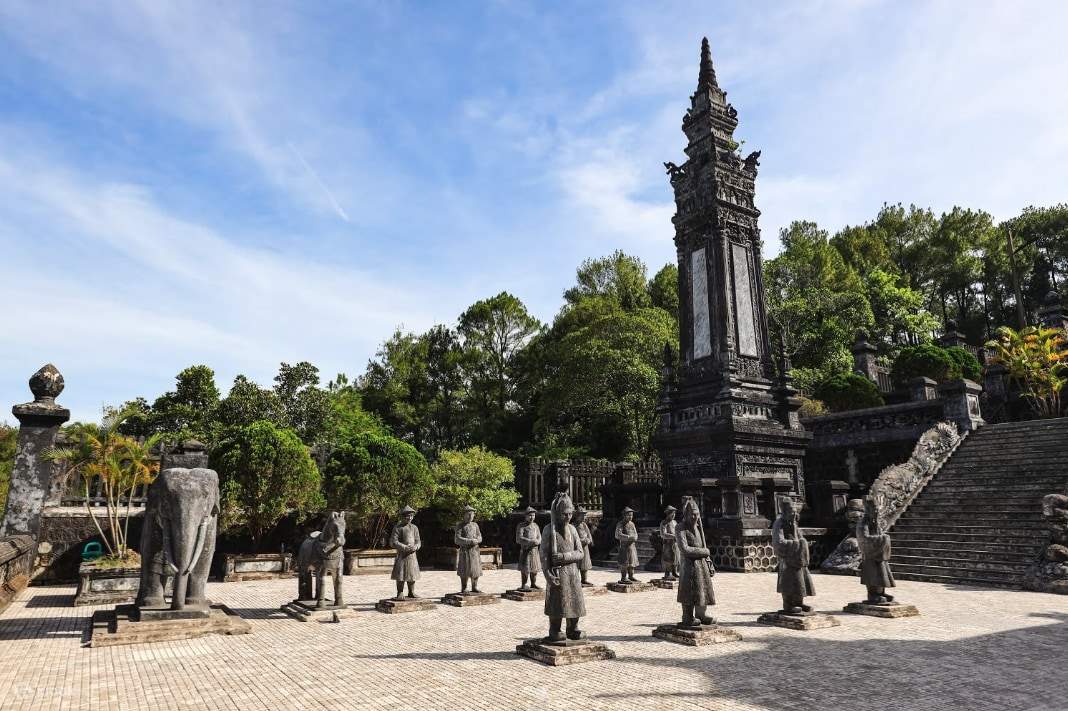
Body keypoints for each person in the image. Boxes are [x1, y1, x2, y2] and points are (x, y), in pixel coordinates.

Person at [540, 492, 587, 642]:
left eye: (570, 514)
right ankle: (554, 630)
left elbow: (580, 553)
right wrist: (548, 574)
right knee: (557, 602)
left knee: (575, 601)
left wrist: (564, 556)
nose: (568, 517)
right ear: (558, 513)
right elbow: (544, 555)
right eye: (564, 514)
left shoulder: (573, 529)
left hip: (572, 572)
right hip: (557, 572)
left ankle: (573, 628)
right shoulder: (549, 530)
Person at [676, 497, 716, 627]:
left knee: (703, 589)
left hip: (701, 565)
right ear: (686, 514)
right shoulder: (680, 528)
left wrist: (708, 561)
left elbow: (702, 544)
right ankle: (687, 616)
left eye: (697, 514)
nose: (695, 517)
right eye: (692, 514)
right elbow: (685, 549)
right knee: (689, 591)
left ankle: (701, 614)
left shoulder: (698, 528)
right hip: (689, 565)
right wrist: (704, 552)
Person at [772, 497, 815, 614]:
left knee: (801, 580)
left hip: (798, 558)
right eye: (792, 511)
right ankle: (788, 605)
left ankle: (799, 602)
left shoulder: (794, 523)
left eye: (795, 511)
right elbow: (778, 542)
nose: (794, 514)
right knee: (788, 581)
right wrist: (796, 544)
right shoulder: (779, 523)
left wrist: (803, 543)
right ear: (785, 512)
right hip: (787, 558)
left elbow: (800, 537)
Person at [857, 497, 896, 604]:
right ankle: (872, 594)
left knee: (882, 573)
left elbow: (879, 534)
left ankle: (881, 592)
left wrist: (883, 538)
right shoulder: (863, 523)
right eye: (874, 509)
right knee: (872, 574)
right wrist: (882, 539)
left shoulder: (875, 522)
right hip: (870, 554)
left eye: (877, 509)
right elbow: (863, 538)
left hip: (879, 553)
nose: (876, 512)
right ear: (868, 510)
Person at [390, 505, 422, 600]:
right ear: (403, 516)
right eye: (408, 516)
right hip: (402, 555)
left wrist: (416, 546)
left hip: (412, 555)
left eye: (411, 516)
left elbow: (418, 541)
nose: (410, 518)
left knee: (412, 574)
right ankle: (400, 592)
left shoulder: (414, 528)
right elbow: (393, 541)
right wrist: (404, 547)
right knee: (401, 574)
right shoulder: (398, 527)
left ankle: (411, 591)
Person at [454, 505, 483, 594]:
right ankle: (464, 587)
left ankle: (475, 586)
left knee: (475, 569)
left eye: (472, 514)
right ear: (464, 515)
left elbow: (480, 536)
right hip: (465, 551)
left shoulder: (475, 525)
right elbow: (457, 539)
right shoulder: (460, 526)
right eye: (468, 514)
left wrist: (477, 540)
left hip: (475, 551)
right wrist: (469, 541)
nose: (470, 516)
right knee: (464, 569)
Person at [516, 506, 541, 591]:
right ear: (526, 516)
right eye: (530, 515)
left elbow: (539, 537)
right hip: (525, 551)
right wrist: (530, 541)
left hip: (534, 551)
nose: (532, 517)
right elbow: (519, 539)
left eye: (533, 515)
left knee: (534, 569)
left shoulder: (536, 526)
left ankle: (533, 583)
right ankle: (524, 584)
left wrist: (538, 541)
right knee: (525, 569)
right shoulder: (521, 526)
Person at [614, 507, 640, 583]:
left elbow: (635, 533)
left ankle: (631, 576)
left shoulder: (632, 524)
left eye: (631, 515)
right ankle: (623, 577)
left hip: (632, 546)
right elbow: (617, 535)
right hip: (624, 546)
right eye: (628, 515)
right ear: (624, 515)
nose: (630, 517)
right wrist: (628, 537)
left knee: (632, 563)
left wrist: (635, 537)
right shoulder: (620, 524)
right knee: (624, 563)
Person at [574, 506, 594, 586]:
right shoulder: (573, 526)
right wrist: (581, 541)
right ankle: (575, 580)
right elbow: (573, 538)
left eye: (584, 515)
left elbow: (589, 535)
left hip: (585, 548)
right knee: (577, 565)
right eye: (581, 515)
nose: (583, 517)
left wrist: (589, 540)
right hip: (577, 548)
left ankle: (584, 580)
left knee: (585, 565)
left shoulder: (584, 525)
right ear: (577, 516)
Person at [659, 505, 679, 581]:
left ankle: (674, 571)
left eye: (674, 513)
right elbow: (663, 534)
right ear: (668, 514)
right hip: (668, 543)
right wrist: (673, 536)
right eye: (672, 514)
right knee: (668, 558)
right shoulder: (664, 523)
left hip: (675, 544)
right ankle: (668, 573)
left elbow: (677, 531)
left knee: (676, 558)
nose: (674, 515)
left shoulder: (675, 522)